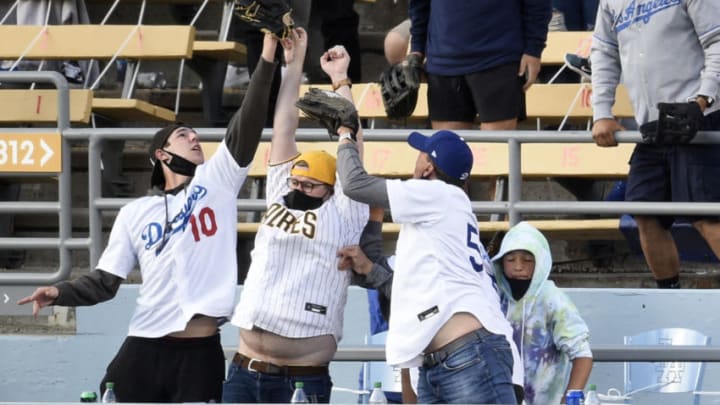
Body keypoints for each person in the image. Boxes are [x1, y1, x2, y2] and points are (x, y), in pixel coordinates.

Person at [16, 33, 281, 403]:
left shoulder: (218, 180)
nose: (194, 138)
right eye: (183, 135)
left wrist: (268, 55)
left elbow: (248, 121)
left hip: (199, 350)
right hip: (144, 343)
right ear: (162, 155)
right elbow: (105, 282)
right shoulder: (135, 212)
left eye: (195, 133)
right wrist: (60, 292)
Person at [222, 30, 369, 404]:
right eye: (296, 181)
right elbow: (284, 127)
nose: (298, 188)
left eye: (309, 185)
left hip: (302, 379)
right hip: (245, 367)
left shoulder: (344, 211)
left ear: (331, 188)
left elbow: (353, 142)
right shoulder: (280, 192)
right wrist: (294, 64)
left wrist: (341, 81)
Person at [336, 128, 519, 404]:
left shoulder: (438, 194)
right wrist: (371, 249)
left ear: (428, 167)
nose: (416, 160)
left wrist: (345, 135)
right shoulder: (444, 211)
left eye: (421, 154)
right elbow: (390, 279)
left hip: (468, 355)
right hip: (452, 358)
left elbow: (353, 184)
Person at [591, 0, 720, 288]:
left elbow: (718, 39)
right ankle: (669, 297)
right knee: (644, 213)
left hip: (701, 118)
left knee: (708, 216)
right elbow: (603, 51)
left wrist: (703, 99)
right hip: (651, 126)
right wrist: (601, 113)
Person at [408, 0, 551, 132]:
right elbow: (419, 4)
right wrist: (416, 50)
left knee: (495, 152)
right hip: (443, 61)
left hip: (498, 58)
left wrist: (534, 48)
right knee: (448, 153)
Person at [491, 221, 593, 405]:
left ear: (540, 262)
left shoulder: (553, 299)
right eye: (510, 259)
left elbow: (582, 354)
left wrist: (569, 399)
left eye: (527, 259)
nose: (518, 266)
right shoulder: (493, 296)